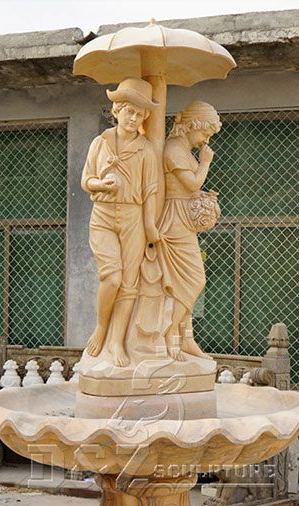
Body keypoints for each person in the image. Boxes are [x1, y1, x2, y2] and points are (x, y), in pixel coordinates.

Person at [81, 78, 160, 367]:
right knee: (112, 277)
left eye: (139, 114)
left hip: (132, 217)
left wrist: (150, 225)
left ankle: (116, 340)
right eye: (129, 111)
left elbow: (151, 189)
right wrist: (101, 185)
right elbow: (85, 180)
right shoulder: (100, 143)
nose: (134, 118)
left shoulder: (146, 149)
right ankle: (101, 327)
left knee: (129, 283)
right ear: (116, 110)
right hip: (102, 215)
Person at [157, 101, 222, 360]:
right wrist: (205, 162)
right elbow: (193, 182)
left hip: (182, 218)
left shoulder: (182, 149)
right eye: (205, 133)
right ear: (192, 125)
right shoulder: (174, 149)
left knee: (186, 282)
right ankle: (166, 335)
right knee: (193, 280)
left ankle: (186, 339)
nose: (205, 140)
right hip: (174, 221)